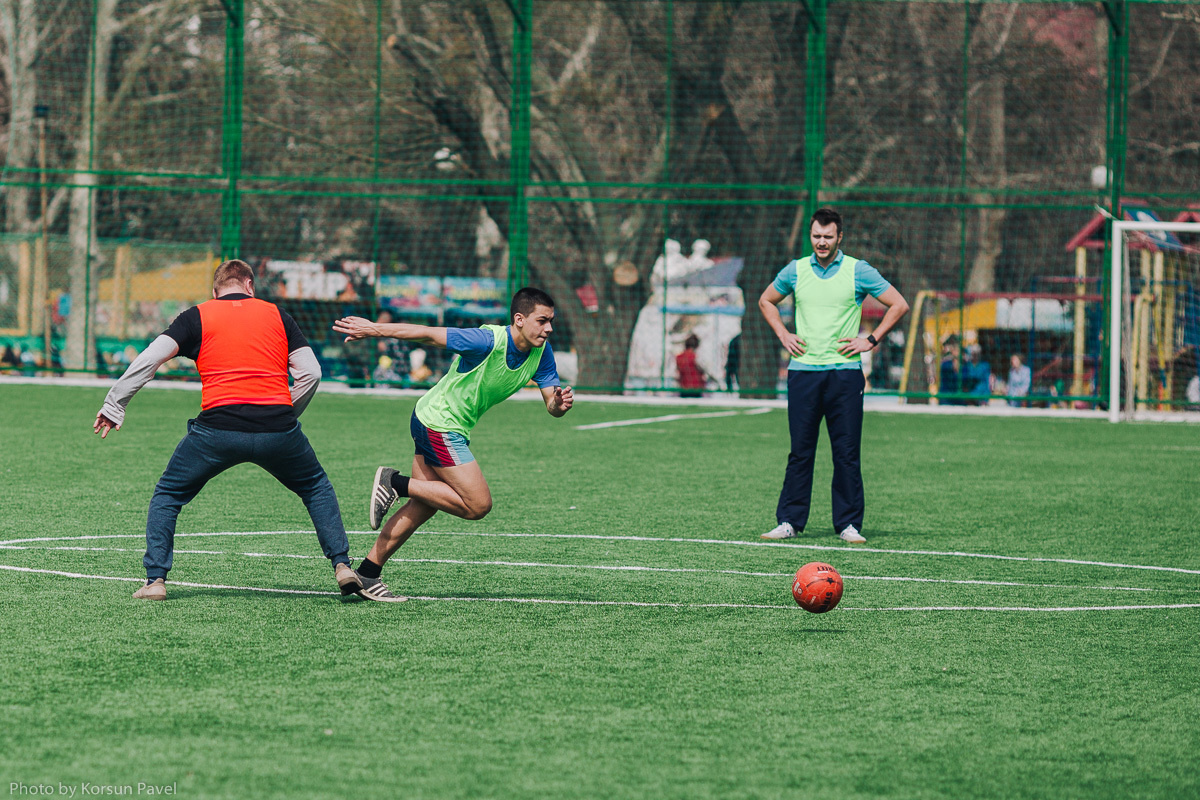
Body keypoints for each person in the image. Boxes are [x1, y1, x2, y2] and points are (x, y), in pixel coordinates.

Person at [93, 259, 361, 601]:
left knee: (168, 495)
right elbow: (311, 372)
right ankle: (342, 566)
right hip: (278, 429)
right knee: (315, 487)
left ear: (215, 290)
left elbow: (151, 358)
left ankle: (155, 581)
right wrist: (283, 414)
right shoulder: (277, 315)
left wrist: (115, 404)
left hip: (217, 430)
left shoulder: (198, 315)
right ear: (250, 286)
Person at [332, 286, 574, 601]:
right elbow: (426, 334)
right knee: (478, 504)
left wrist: (559, 403)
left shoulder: (542, 352)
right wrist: (373, 329)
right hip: (439, 424)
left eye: (551, 321)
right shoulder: (486, 341)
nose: (549, 328)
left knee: (426, 504)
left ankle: (367, 572)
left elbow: (551, 406)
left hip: (439, 422)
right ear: (519, 319)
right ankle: (396, 482)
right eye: (542, 321)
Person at [757, 208, 909, 544]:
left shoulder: (859, 270)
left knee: (846, 452)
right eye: (816, 236)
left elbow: (898, 304)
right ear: (810, 236)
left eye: (828, 236)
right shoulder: (795, 270)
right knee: (800, 451)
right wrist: (783, 334)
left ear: (839, 237)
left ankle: (848, 524)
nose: (821, 242)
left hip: (845, 375)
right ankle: (789, 521)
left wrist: (870, 339)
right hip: (803, 373)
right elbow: (766, 301)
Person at [676, 334, 709, 398]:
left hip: (684, 388)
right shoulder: (696, 357)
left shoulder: (679, 357)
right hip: (696, 388)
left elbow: (677, 373)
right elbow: (704, 370)